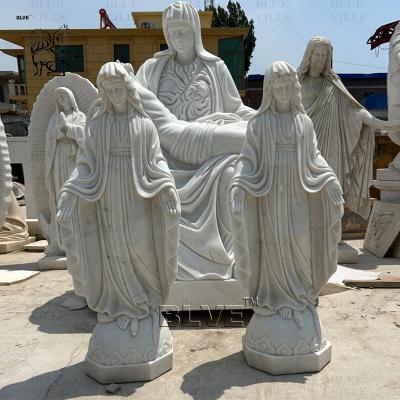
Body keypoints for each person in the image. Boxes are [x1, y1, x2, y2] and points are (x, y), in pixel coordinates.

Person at [57, 62, 180, 336]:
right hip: (108, 197)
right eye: (108, 90)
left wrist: (168, 187)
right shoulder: (98, 126)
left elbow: (157, 162)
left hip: (138, 198)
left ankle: (146, 305)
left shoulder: (144, 125)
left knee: (141, 248)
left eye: (118, 88)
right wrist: (69, 192)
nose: (114, 94)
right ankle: (120, 307)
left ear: (128, 89)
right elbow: (85, 163)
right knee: (113, 252)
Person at [136, 1, 255, 280]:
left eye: (184, 30)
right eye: (172, 31)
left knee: (231, 174)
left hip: (212, 156)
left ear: (195, 31)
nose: (178, 37)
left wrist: (262, 116)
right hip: (165, 155)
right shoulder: (152, 69)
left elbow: (235, 109)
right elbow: (132, 108)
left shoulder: (215, 67)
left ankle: (226, 263)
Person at [230, 61, 343, 327]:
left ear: (294, 88)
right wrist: (238, 184)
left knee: (302, 243)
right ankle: (274, 301)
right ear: (269, 88)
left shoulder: (303, 122)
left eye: (286, 84)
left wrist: (330, 180)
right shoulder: (259, 123)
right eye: (276, 84)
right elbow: (247, 159)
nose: (282, 88)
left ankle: (301, 299)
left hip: (298, 194)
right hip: (269, 196)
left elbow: (314, 158)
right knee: (271, 246)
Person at [298, 36, 400, 219]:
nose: (320, 60)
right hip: (303, 145)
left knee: (330, 189)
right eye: (317, 55)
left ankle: (331, 232)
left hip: (330, 147)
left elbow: (355, 111)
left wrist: (381, 123)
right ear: (309, 55)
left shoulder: (332, 84)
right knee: (303, 193)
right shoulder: (296, 83)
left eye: (324, 56)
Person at [45, 87, 86, 256]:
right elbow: (50, 138)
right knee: (59, 196)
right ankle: (61, 241)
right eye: (59, 97)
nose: (61, 99)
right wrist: (59, 131)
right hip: (59, 160)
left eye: (64, 96)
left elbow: (85, 136)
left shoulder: (80, 116)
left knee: (73, 198)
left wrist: (68, 129)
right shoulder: (54, 118)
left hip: (73, 161)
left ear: (71, 98)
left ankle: (79, 239)